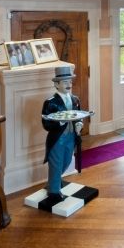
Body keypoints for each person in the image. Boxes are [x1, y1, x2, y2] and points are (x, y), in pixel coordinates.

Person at [41, 66, 83, 205]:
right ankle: (53, 191)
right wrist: (60, 121)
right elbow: (46, 124)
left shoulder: (75, 99)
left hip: (71, 136)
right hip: (58, 139)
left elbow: (78, 116)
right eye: (64, 82)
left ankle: (55, 182)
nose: (68, 85)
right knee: (56, 164)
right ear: (56, 84)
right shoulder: (50, 102)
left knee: (66, 161)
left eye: (69, 82)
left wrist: (78, 125)